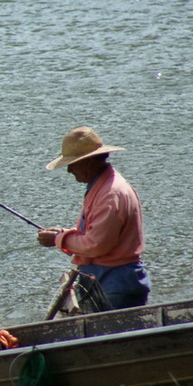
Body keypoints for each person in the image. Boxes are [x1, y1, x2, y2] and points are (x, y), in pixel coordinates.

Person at [37, 126, 151, 309]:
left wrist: (59, 239)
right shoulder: (102, 186)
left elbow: (96, 244)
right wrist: (63, 234)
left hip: (115, 286)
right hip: (106, 283)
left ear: (87, 162)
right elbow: (96, 234)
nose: (69, 171)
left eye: (72, 164)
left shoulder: (110, 194)